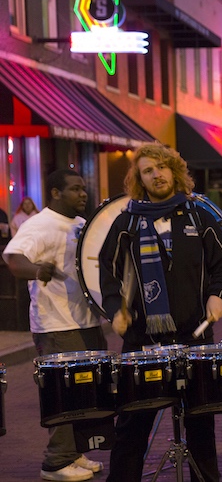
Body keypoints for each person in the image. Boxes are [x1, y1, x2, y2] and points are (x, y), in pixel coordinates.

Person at [99, 143, 222, 482]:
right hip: (142, 339)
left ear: (175, 171)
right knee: (132, 425)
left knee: (200, 423)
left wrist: (218, 296)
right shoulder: (126, 222)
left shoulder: (199, 215)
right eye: (148, 170)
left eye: (162, 167)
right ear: (140, 179)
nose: (157, 174)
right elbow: (107, 270)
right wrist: (115, 309)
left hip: (194, 334)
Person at [3, 169, 106, 482]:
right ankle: (55, 463)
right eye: (75, 189)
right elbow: (12, 258)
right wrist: (37, 270)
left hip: (86, 321)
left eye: (84, 188)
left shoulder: (80, 224)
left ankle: (73, 452)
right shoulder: (40, 224)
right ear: (55, 193)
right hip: (56, 325)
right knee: (63, 393)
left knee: (85, 392)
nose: (83, 194)